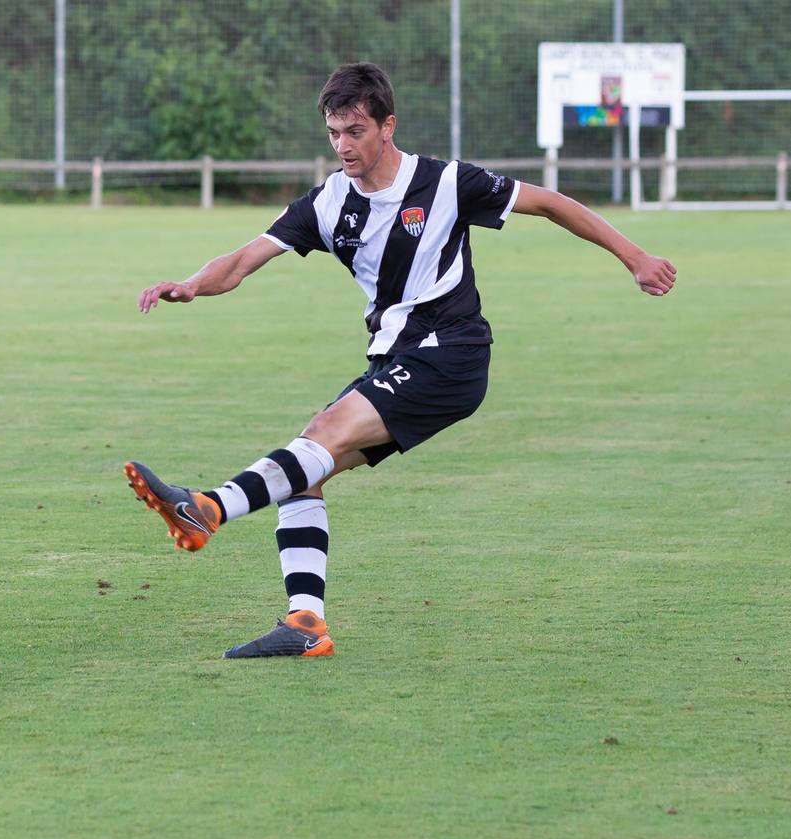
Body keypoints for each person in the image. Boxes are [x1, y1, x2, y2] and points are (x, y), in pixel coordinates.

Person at [125, 62, 676, 659]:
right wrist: (190, 285)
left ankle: (206, 508)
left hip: (454, 350)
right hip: (395, 358)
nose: (343, 145)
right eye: (334, 132)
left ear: (387, 126)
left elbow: (545, 202)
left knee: (321, 437)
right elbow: (242, 259)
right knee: (305, 467)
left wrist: (635, 256)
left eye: (355, 131)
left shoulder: (443, 182)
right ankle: (305, 624)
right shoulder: (328, 201)